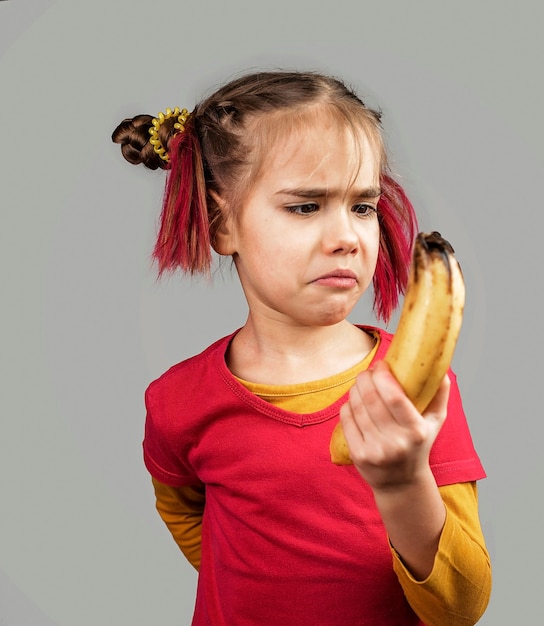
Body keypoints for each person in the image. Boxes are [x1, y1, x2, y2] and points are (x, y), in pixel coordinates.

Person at [112, 70, 491, 626]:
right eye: (306, 207)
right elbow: (184, 510)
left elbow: (461, 608)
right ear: (222, 223)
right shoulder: (177, 400)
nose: (348, 236)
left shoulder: (415, 388)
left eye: (363, 206)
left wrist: (404, 480)